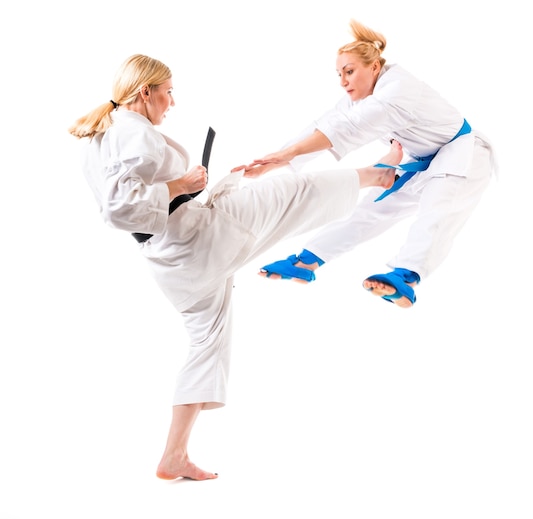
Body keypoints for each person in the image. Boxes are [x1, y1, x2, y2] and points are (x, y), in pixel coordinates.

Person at [68, 54, 400, 480]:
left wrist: (182, 188)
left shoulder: (105, 134)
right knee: (291, 193)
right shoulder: (133, 132)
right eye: (168, 93)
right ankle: (379, 174)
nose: (172, 103)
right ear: (145, 91)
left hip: (174, 261)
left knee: (208, 344)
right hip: (197, 240)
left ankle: (174, 456)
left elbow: (127, 199)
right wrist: (181, 185)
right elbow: (119, 209)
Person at [240, 19, 497, 308]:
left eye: (349, 71)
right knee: (371, 208)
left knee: (436, 211)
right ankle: (307, 261)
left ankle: (406, 277)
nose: (343, 81)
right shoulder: (360, 98)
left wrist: (287, 155)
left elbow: (347, 129)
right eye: (339, 74)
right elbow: (325, 125)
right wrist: (276, 160)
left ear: (374, 67)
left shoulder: (398, 89)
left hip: (464, 154)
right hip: (423, 159)